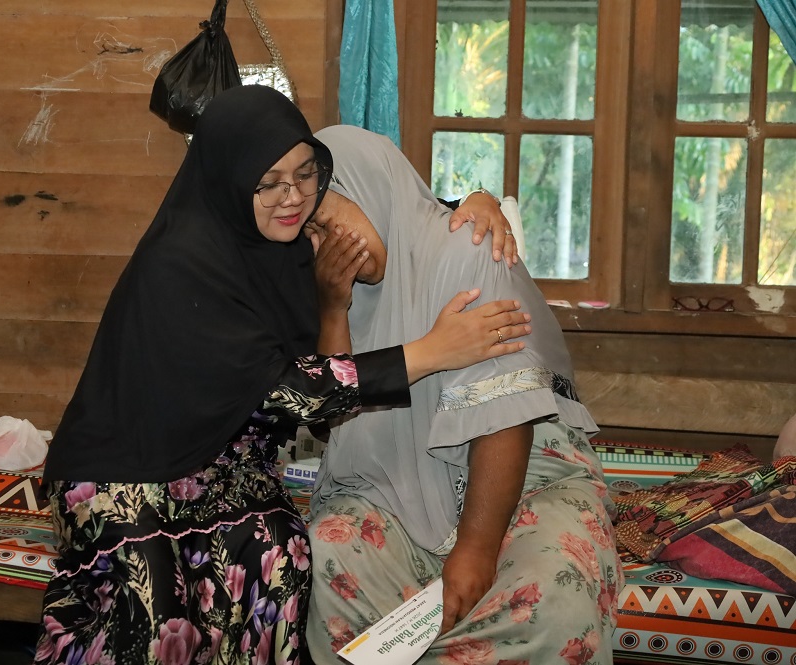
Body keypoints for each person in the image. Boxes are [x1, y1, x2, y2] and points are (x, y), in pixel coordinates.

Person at [33, 86, 531, 665]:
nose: (293, 198)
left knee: (282, 554)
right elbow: (286, 390)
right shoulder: (181, 264)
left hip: (224, 467)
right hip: (125, 472)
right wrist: (431, 352)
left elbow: (399, 211)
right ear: (231, 179)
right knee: (159, 612)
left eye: (305, 174)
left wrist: (476, 200)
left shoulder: (284, 238)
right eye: (268, 182)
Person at [304, 125, 622, 665]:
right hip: (393, 484)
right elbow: (334, 411)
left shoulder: (470, 246)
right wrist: (334, 308)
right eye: (309, 235)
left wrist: (476, 547)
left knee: (554, 599)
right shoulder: (334, 285)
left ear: (368, 189)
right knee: (329, 553)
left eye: (325, 223)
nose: (320, 247)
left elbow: (506, 415)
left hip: (525, 479)